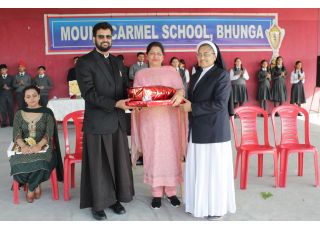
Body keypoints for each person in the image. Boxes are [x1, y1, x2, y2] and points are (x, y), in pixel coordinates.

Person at [75, 22, 134, 221]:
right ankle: (98, 204)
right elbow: (89, 94)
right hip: (98, 122)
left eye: (108, 36)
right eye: (101, 36)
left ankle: (115, 199)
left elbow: (125, 86)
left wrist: (136, 97)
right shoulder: (84, 62)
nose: (105, 40)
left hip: (117, 121)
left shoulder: (117, 62)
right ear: (94, 39)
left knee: (118, 163)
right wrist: (116, 103)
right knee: (99, 166)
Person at [180, 41, 236, 220]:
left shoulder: (221, 75)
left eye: (206, 53)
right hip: (197, 130)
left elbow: (220, 104)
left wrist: (193, 108)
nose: (202, 57)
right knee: (198, 169)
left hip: (214, 132)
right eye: (199, 54)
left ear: (215, 55)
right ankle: (198, 204)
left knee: (213, 172)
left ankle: (215, 208)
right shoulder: (196, 76)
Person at [131, 41, 188, 209]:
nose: (155, 55)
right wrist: (138, 101)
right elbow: (136, 96)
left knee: (170, 153)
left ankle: (171, 192)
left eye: (159, 53)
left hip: (169, 120)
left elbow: (181, 90)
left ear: (163, 56)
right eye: (152, 53)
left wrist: (179, 92)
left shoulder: (172, 72)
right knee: (153, 153)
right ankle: (156, 193)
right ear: (147, 55)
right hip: (149, 121)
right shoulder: (141, 74)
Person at [9, 85, 63, 203]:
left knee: (40, 161)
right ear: (24, 99)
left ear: (39, 96)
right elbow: (16, 133)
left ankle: (31, 188)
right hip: (23, 147)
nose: (31, 99)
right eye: (28, 96)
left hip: (43, 147)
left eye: (34, 95)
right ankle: (36, 184)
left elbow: (49, 133)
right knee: (17, 162)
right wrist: (23, 146)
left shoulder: (47, 112)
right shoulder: (19, 113)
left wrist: (38, 146)